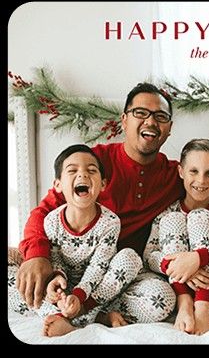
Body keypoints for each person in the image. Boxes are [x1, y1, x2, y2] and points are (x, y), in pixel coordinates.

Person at [16, 83, 209, 325]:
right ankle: (83, 309)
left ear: (169, 128)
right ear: (125, 120)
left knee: (162, 300)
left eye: (160, 116)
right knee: (22, 287)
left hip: (129, 272)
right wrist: (37, 256)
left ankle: (93, 312)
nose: (151, 121)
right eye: (141, 113)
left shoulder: (175, 174)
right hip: (77, 265)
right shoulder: (95, 163)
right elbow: (44, 211)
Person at [8, 144, 142, 337]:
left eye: (91, 170)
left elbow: (99, 265)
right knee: (18, 282)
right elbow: (54, 258)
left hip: (95, 288)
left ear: (103, 184)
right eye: (72, 170)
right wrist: (56, 281)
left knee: (130, 258)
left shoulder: (110, 222)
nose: (83, 175)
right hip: (63, 284)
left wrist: (79, 298)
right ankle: (70, 314)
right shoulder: (51, 220)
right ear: (58, 185)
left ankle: (79, 315)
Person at [144, 138, 209, 335]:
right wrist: (177, 265)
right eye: (194, 171)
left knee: (200, 216)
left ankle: (204, 307)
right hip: (178, 283)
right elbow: (149, 255)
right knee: (173, 219)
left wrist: (197, 258)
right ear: (181, 172)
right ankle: (185, 302)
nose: (201, 181)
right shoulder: (166, 212)